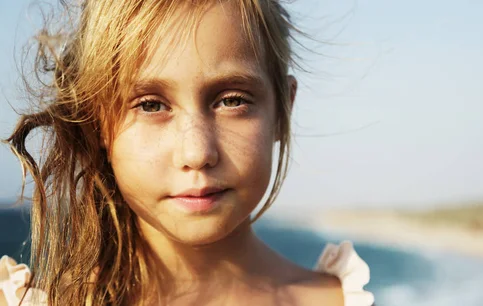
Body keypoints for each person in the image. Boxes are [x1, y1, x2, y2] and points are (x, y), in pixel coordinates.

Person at [0, 0, 374, 305]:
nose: (197, 153)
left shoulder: (338, 300)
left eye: (231, 100)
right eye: (150, 105)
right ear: (98, 121)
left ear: (283, 110)